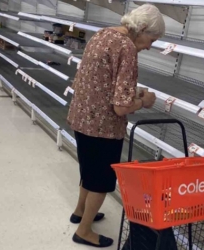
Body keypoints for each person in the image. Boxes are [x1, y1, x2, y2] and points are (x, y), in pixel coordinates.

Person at [67, 4, 165, 248]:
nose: (150, 46)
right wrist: (144, 101)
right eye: (151, 39)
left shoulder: (104, 34)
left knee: (88, 172)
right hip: (103, 127)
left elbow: (104, 81)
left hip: (82, 117)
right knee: (101, 181)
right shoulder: (128, 48)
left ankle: (80, 211)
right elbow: (120, 107)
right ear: (141, 28)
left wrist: (134, 92)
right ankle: (84, 230)